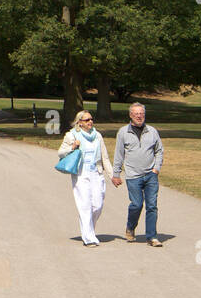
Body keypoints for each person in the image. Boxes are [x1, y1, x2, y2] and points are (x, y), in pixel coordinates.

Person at [57, 110, 116, 245]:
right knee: (85, 205)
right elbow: (61, 153)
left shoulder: (97, 136)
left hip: (96, 173)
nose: (90, 122)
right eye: (86, 120)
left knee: (97, 205)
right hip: (81, 174)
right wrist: (73, 146)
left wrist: (112, 175)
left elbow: (104, 157)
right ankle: (88, 238)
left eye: (91, 119)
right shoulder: (71, 135)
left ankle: (90, 230)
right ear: (79, 123)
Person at [111, 102, 164, 246]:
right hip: (133, 175)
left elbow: (159, 150)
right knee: (136, 204)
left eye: (142, 113)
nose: (139, 116)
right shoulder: (123, 132)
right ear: (130, 115)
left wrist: (156, 168)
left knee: (152, 205)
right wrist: (116, 174)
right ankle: (130, 227)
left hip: (151, 174)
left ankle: (152, 237)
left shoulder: (152, 131)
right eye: (136, 114)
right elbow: (119, 154)